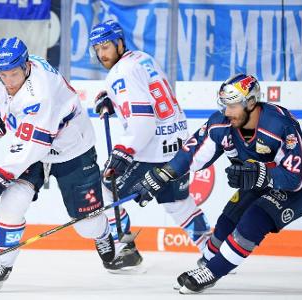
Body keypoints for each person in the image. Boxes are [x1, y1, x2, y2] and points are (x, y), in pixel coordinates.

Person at [129, 73, 302, 293]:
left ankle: (212, 272)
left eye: (233, 105)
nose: (227, 112)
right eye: (224, 105)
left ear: (251, 102)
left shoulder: (279, 125)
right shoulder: (221, 123)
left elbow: (295, 177)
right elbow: (190, 153)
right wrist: (160, 176)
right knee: (228, 218)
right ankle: (208, 263)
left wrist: (263, 174)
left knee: (254, 219)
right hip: (263, 176)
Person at [0, 37, 116, 290]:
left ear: (26, 66)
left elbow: (34, 145)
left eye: (14, 74)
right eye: (3, 75)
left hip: (72, 150)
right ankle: (1, 265)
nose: (8, 82)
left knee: (86, 226)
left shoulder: (41, 92)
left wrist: (0, 173)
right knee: (12, 201)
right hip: (32, 147)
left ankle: (103, 232)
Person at [89, 21, 212, 273]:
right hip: (178, 145)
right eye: (97, 48)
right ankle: (213, 253)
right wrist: (114, 101)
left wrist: (124, 152)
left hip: (151, 149)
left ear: (120, 43)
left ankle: (127, 249)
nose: (102, 54)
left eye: (106, 46)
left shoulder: (119, 73)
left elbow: (142, 122)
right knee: (178, 203)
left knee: (106, 190)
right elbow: (148, 100)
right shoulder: (142, 58)